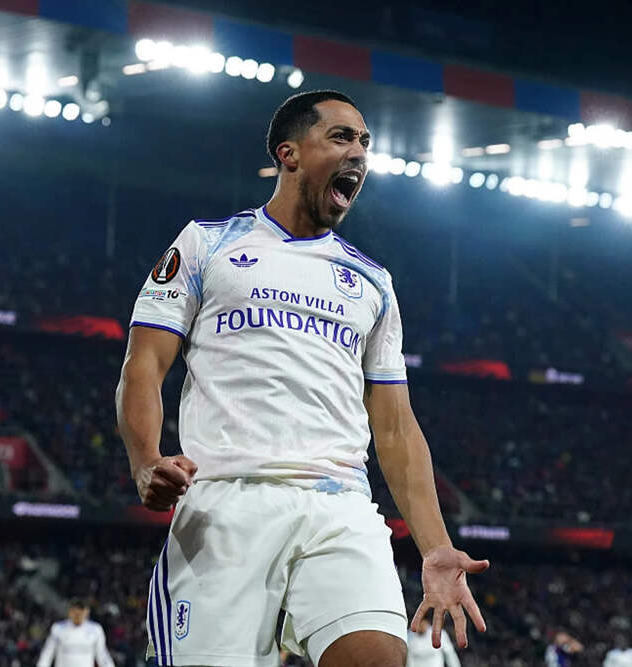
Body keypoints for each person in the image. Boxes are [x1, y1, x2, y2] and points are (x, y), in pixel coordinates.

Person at [117, 89, 490, 667]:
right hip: (227, 504)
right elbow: (144, 365)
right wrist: (145, 460)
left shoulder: (372, 282)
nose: (359, 153)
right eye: (341, 137)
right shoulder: (207, 244)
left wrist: (436, 547)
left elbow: (395, 427)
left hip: (340, 506)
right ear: (288, 153)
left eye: (365, 142)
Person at [37, 599, 115, 667]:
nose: (77, 615)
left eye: (81, 612)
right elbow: (47, 654)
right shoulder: (58, 629)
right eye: (75, 612)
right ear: (70, 612)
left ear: (86, 612)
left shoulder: (95, 630)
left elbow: (102, 654)